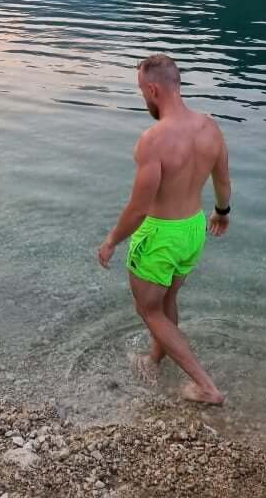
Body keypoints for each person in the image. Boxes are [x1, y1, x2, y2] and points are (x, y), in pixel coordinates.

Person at [98, 53, 231, 405]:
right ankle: (154, 359)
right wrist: (222, 213)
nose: (143, 97)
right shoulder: (210, 127)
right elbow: (222, 181)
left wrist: (112, 240)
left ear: (154, 90)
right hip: (193, 229)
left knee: (148, 310)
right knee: (167, 300)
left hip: (160, 235)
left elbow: (139, 208)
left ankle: (206, 387)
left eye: (142, 90)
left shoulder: (153, 140)